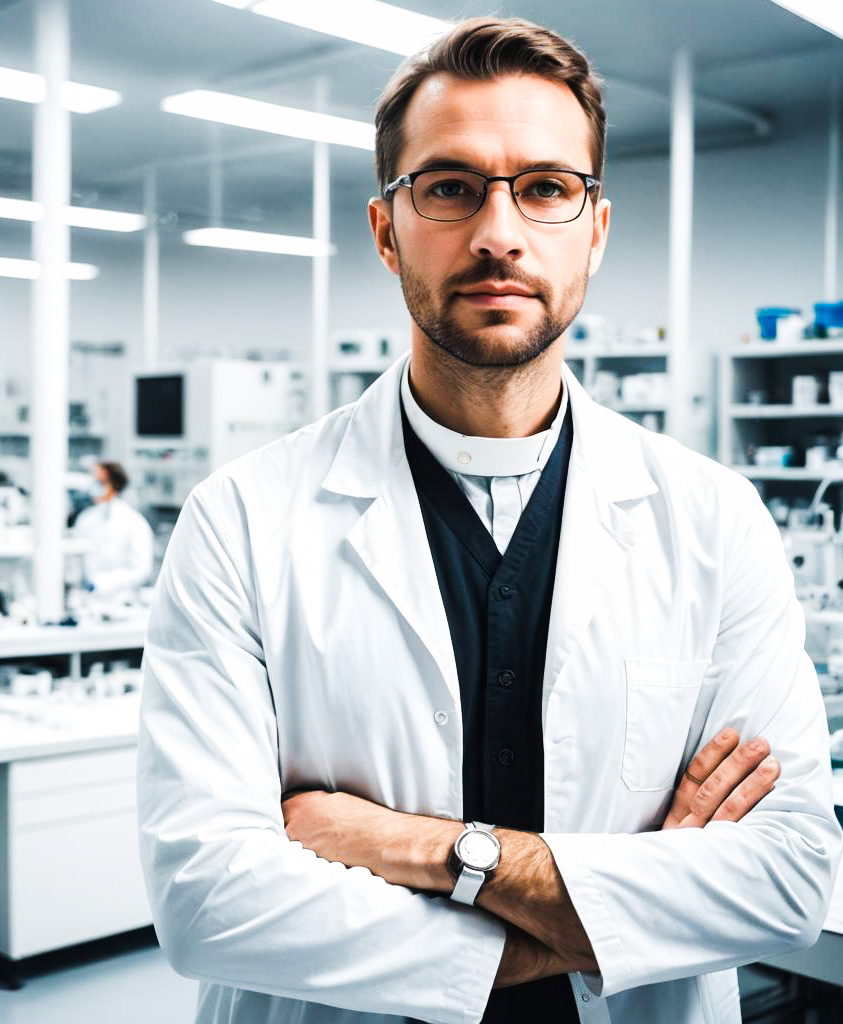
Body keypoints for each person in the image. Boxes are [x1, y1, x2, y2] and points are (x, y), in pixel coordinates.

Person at [137, 16, 842, 1024]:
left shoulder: (712, 521)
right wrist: (630, 905)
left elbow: (785, 881)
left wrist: (420, 847)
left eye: (546, 187)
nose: (498, 232)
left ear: (594, 229)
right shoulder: (242, 521)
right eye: (450, 186)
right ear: (386, 229)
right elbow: (207, 901)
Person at [72, 460, 154, 598]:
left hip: (121, 601)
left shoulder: (135, 523)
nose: (94, 487)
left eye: (100, 482)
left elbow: (141, 569)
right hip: (88, 601)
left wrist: (105, 582)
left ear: (114, 485)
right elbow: (75, 561)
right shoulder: (85, 519)